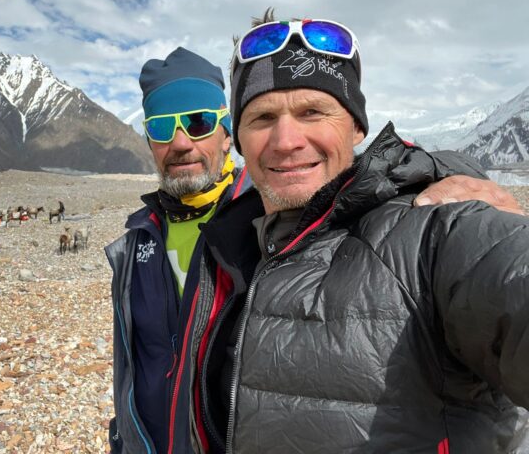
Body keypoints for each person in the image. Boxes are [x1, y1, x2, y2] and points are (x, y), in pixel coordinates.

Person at [104, 47, 521, 454]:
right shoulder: (148, 240)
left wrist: (443, 174)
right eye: (263, 117)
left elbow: (495, 270)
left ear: (226, 135)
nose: (181, 143)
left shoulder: (416, 234)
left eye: (197, 123)